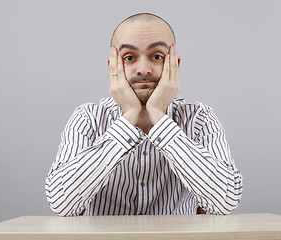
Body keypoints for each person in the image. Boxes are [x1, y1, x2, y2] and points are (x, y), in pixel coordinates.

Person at [45, 13, 243, 217]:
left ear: (175, 64)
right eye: (129, 58)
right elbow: (62, 204)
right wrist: (128, 118)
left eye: (156, 56)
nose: (143, 70)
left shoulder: (199, 119)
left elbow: (225, 202)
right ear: (113, 66)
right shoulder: (88, 118)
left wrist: (159, 117)